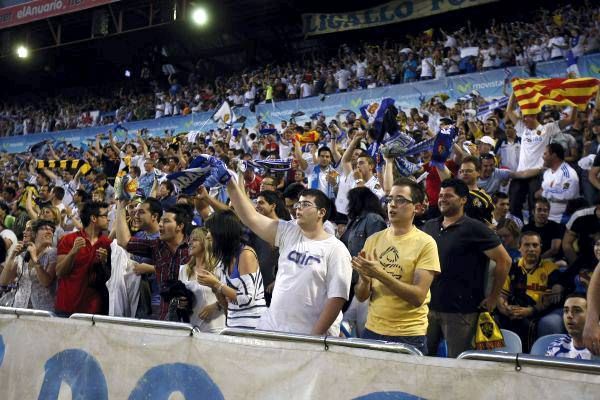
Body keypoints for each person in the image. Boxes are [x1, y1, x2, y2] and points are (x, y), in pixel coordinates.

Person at [226, 170, 352, 335]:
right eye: (298, 204)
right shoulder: (289, 230)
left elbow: (337, 298)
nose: (298, 208)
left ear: (321, 213)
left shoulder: (336, 249)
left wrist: (315, 337)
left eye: (306, 205)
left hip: (307, 335)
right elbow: (251, 218)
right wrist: (229, 183)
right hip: (272, 328)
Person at [422, 179, 511, 357]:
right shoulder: (429, 226)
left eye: (448, 195)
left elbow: (505, 260)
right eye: (440, 195)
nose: (442, 199)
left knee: (459, 364)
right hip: (428, 307)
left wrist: (493, 297)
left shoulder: (475, 228)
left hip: (462, 311)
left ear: (463, 199)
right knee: (424, 361)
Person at [351, 178, 440, 354]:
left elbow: (417, 297)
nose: (392, 205)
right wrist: (364, 278)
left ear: (417, 207)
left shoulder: (426, 243)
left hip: (409, 334)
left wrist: (379, 273)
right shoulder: (373, 240)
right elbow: (362, 296)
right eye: (390, 199)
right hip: (373, 329)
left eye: (400, 200)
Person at [115, 202, 192, 320]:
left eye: (166, 221)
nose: (160, 225)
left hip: (192, 317)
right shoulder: (157, 246)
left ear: (179, 226)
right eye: (161, 221)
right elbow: (124, 242)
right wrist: (120, 206)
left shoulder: (193, 249)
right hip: (162, 313)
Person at [505, 93, 575, 220]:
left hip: (538, 174)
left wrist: (575, 103)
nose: (524, 119)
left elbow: (571, 120)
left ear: (534, 116)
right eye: (523, 117)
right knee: (514, 204)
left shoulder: (547, 128)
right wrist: (514, 92)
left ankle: (535, 230)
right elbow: (509, 111)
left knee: (535, 204)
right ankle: (517, 229)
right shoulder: (522, 129)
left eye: (526, 117)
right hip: (521, 173)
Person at [197, 209, 266, 329]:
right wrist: (215, 288)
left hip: (254, 327)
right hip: (232, 325)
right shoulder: (224, 259)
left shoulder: (246, 254)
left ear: (222, 232)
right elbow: (227, 305)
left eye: (210, 231)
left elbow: (247, 299)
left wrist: (217, 284)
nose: (207, 236)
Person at [497, 231, 564, 350]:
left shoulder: (549, 268)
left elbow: (551, 297)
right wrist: (505, 309)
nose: (531, 249)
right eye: (527, 245)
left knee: (525, 324)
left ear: (540, 247)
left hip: (538, 311)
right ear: (519, 248)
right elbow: (502, 295)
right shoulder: (512, 267)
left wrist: (530, 310)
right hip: (514, 309)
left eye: (535, 245)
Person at [55, 201, 111, 316]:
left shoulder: (107, 243)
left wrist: (104, 262)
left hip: (94, 310)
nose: (108, 219)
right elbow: (59, 272)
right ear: (94, 218)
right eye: (105, 216)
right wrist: (72, 252)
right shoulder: (68, 239)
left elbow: (108, 279)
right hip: (67, 307)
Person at [0, 220, 57, 311]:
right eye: (44, 229)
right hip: (19, 306)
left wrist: (35, 258)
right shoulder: (23, 256)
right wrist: (12, 256)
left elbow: (46, 282)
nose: (25, 232)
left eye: (29, 230)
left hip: (41, 310)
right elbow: (3, 282)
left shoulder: (52, 253)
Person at [178, 227, 225, 333]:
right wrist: (180, 302)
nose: (189, 243)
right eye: (189, 240)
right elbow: (179, 298)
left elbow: (230, 296)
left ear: (205, 243)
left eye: (195, 240)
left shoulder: (219, 267)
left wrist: (215, 306)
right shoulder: (183, 270)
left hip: (216, 328)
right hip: (190, 329)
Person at [340, 187, 387, 257]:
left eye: (351, 201)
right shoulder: (354, 219)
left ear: (358, 201)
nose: (349, 204)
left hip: (363, 266)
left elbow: (376, 250)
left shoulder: (374, 219)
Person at [539, 143, 580, 223]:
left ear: (554, 156)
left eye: (545, 154)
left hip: (561, 220)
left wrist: (544, 193)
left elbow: (567, 194)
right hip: (545, 218)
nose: (543, 157)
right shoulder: (547, 173)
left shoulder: (568, 174)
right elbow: (542, 190)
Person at [546, 293, 592, 359]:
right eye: (566, 311)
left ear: (591, 315)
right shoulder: (556, 346)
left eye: (577, 311)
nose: (569, 316)